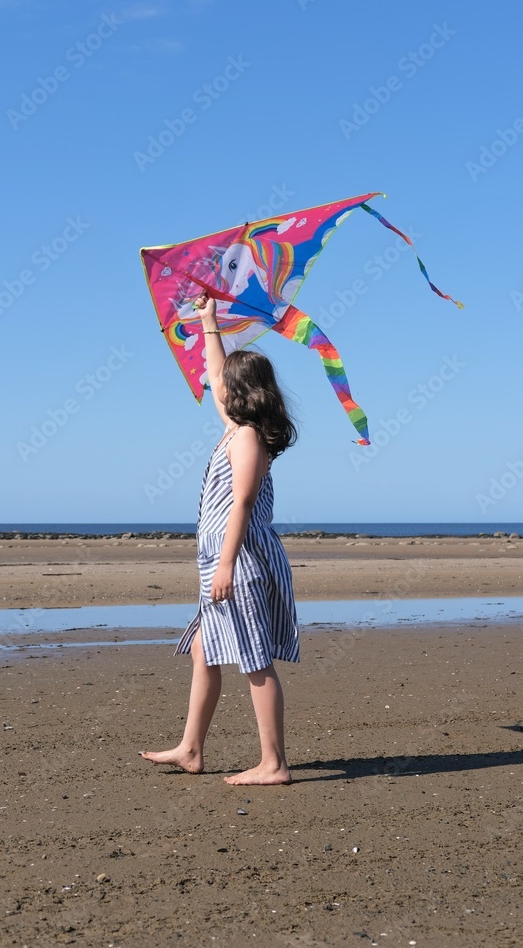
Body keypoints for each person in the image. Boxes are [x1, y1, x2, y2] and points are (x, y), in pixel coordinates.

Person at [140, 292, 299, 785]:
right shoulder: (236, 428)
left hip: (241, 560)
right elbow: (212, 377)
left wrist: (227, 564)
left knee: (254, 658)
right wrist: (209, 322)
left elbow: (244, 504)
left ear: (244, 392)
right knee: (204, 649)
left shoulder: (249, 437)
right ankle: (191, 748)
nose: (218, 390)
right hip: (219, 559)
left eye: (226, 385)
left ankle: (274, 764)